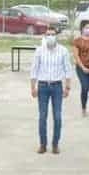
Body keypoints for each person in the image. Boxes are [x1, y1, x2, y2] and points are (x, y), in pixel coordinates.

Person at [29, 26, 72, 154]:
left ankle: (55, 144)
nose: (50, 36)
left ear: (56, 36)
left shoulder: (63, 51)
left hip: (57, 86)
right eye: (48, 34)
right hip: (42, 86)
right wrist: (33, 87)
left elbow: (67, 69)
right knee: (42, 117)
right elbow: (34, 69)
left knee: (57, 117)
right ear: (45, 36)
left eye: (53, 34)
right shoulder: (39, 51)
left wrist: (67, 86)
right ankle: (43, 144)